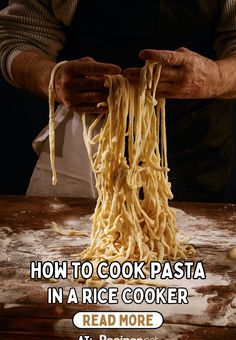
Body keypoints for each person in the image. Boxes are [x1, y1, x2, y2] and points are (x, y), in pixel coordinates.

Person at [0, 0, 236, 201]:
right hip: (87, 147)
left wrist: (216, 77)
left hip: (196, 144)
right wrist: (52, 79)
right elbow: (19, 39)